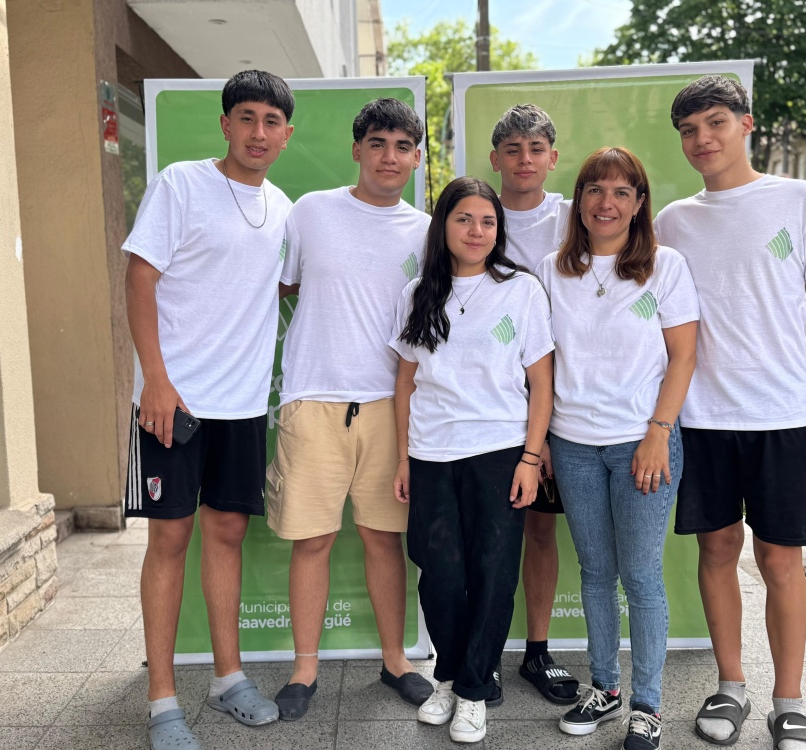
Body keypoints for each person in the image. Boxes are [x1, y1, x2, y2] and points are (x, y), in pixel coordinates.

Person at [655, 75, 806, 750]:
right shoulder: (673, 221)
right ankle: (730, 685)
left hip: (782, 412)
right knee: (717, 549)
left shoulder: (798, 199)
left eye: (714, 123)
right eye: (688, 130)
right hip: (702, 417)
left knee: (780, 559)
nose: (701, 139)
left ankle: (789, 701)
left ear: (746, 124)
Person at [123, 70, 295, 749]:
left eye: (271, 121)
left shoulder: (283, 207)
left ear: (286, 133)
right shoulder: (181, 184)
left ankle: (229, 680)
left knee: (226, 536)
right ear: (225, 124)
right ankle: (162, 701)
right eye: (246, 117)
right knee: (169, 539)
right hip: (176, 401)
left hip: (245, 404)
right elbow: (141, 277)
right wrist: (156, 381)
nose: (258, 132)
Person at [267, 98, 433, 720]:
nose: (389, 157)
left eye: (402, 146)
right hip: (312, 399)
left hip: (393, 406)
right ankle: (303, 670)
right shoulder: (311, 212)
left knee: (384, 540)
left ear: (415, 158)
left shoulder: (426, 229)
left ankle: (396, 661)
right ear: (357, 148)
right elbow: (282, 283)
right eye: (378, 143)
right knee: (310, 541)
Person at [539, 147, 699, 750]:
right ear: (579, 202)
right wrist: (547, 440)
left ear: (638, 204)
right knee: (596, 574)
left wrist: (659, 431)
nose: (607, 203)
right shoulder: (554, 270)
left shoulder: (665, 266)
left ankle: (648, 705)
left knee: (640, 576)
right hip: (574, 445)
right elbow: (545, 361)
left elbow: (683, 356)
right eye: (594, 191)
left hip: (643, 443)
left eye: (621, 192)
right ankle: (604, 688)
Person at [391, 177, 554, 744]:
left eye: (487, 221)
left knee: (492, 571)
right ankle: (452, 675)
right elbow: (405, 384)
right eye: (464, 219)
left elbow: (541, 383)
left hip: (500, 451)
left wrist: (531, 458)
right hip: (432, 452)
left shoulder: (522, 291)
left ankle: (474, 690)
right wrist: (405, 458)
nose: (476, 230)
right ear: (444, 227)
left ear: (498, 229)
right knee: (439, 573)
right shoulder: (417, 293)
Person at [489, 103, 577, 707]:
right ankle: (479, 654)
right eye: (513, 149)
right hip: (481, 407)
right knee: (486, 538)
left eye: (536, 148)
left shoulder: (577, 219)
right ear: (496, 159)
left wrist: (540, 435)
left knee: (539, 531)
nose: (525, 160)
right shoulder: (471, 215)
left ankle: (537, 652)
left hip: (559, 404)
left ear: (552, 157)